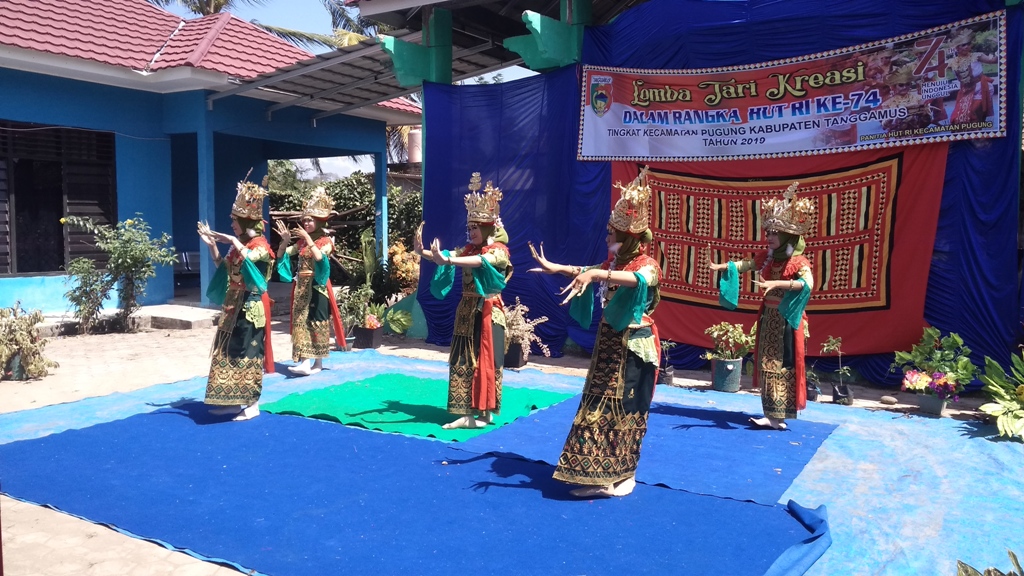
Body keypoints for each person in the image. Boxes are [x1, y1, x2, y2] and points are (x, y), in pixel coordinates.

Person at [529, 167, 662, 498]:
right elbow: (590, 271)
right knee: (599, 407)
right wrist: (557, 267)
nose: (606, 238)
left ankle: (626, 474)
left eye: (611, 234)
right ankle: (598, 477)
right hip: (609, 348)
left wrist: (600, 277)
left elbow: (641, 281)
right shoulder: (614, 265)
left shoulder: (646, 264)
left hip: (634, 348)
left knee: (628, 409)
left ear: (626, 237)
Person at [707, 181, 822, 431]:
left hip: (786, 322)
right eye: (768, 232)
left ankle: (777, 416)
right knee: (769, 365)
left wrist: (778, 282)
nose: (769, 237)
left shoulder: (799, 261)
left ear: (788, 236)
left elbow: (808, 284)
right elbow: (747, 265)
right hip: (769, 317)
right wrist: (724, 267)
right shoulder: (770, 257)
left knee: (781, 365)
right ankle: (773, 416)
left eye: (774, 233)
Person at [415, 173, 512, 430]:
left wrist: (449, 260)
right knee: (464, 359)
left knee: (487, 361)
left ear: (489, 227)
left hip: (488, 314)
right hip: (467, 311)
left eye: (475, 227)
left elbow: (482, 263)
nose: (471, 231)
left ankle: (482, 412)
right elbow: (444, 257)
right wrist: (422, 251)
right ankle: (470, 413)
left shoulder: (499, 252)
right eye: (469, 227)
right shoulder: (467, 250)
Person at [197, 179, 275, 421]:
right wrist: (212, 247)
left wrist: (232, 241)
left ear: (245, 222)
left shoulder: (261, 246)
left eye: (234, 221)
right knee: (229, 352)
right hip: (232, 307)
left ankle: (252, 404)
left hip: (250, 306)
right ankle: (232, 401)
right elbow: (225, 268)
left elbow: (251, 261)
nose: (232, 224)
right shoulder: (239, 246)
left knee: (247, 352)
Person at [274, 186, 346, 376]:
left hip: (317, 286)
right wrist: (284, 241)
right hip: (301, 287)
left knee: (317, 320)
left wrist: (308, 239)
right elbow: (282, 255)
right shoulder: (300, 244)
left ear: (318, 221)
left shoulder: (326, 241)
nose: (306, 223)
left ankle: (318, 363)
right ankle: (305, 361)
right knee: (301, 321)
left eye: (309, 220)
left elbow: (320, 258)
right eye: (304, 220)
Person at [947, 29, 997, 126]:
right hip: (965, 91)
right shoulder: (951, 62)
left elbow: (993, 61)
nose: (967, 47)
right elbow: (934, 69)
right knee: (957, 119)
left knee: (974, 113)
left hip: (980, 88)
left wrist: (1000, 45)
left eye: (968, 44)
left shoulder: (977, 56)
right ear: (957, 47)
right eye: (963, 45)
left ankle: (980, 137)